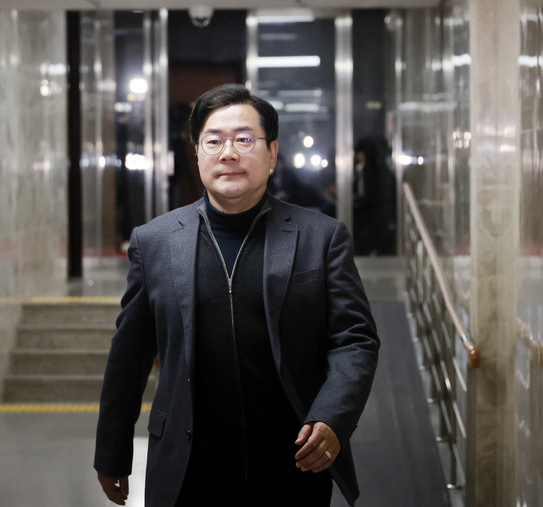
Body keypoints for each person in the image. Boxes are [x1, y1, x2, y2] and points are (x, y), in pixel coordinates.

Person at [94, 83, 380, 507]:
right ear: (197, 154)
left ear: (272, 153)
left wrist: (333, 417)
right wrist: (112, 450)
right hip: (188, 469)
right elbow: (130, 354)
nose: (228, 153)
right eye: (213, 141)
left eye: (245, 139)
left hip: (293, 464)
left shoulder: (321, 238)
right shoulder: (154, 242)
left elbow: (355, 340)